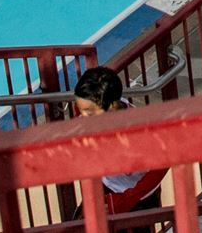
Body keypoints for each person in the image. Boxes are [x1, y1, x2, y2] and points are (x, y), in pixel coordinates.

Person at [69, 67, 167, 218]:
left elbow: (160, 167)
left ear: (113, 107)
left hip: (136, 199)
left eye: (88, 113)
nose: (82, 118)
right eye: (79, 110)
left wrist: (121, 202)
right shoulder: (95, 111)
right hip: (106, 186)